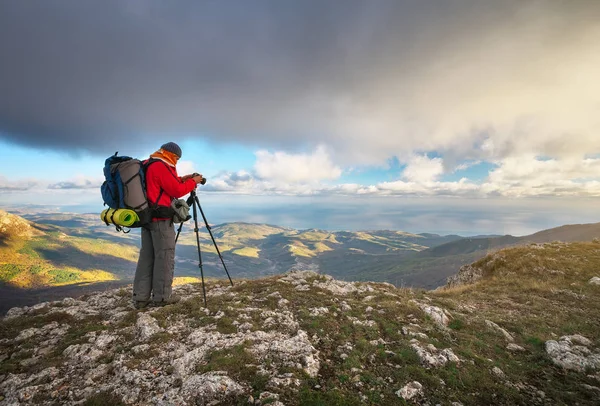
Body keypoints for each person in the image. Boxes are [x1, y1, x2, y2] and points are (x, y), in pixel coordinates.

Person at [132, 142, 204, 309]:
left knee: (147, 257)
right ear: (170, 154)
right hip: (160, 220)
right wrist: (193, 182)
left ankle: (140, 298)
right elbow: (177, 191)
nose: (177, 161)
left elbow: (159, 186)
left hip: (146, 217)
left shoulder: (148, 163)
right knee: (164, 257)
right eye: (176, 158)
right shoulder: (161, 166)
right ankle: (163, 297)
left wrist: (183, 179)